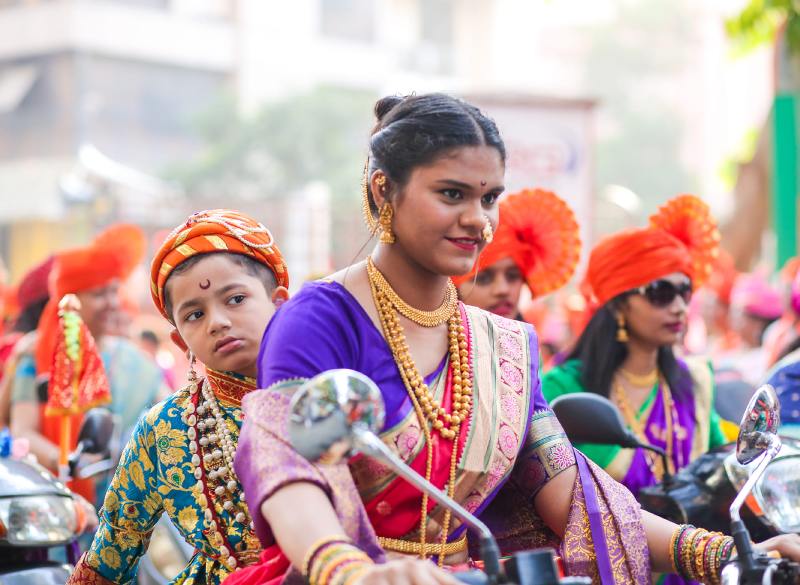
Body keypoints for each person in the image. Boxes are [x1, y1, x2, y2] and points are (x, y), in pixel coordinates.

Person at [228, 95, 800, 585]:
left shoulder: (500, 344)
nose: (478, 219)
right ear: (384, 191)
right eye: (452, 194)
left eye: (489, 197)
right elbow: (287, 470)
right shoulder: (319, 319)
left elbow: (570, 491)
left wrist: (722, 553)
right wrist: (353, 569)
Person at [67, 209, 290, 584]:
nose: (217, 321)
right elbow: (111, 553)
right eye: (194, 315)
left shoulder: (335, 395)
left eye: (235, 299)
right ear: (179, 339)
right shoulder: (165, 428)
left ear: (279, 302)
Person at [542, 195, 729, 501]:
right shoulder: (565, 387)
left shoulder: (692, 383)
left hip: (693, 542)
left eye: (684, 291)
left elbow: (719, 468)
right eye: (660, 293)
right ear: (618, 307)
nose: (680, 307)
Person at [9, 229, 162, 502]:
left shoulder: (135, 360)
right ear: (73, 299)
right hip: (56, 500)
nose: (113, 303)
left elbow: (169, 410)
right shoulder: (35, 356)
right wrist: (71, 461)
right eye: (100, 294)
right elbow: (23, 429)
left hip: (128, 504)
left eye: (115, 291)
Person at [453, 188, 580, 321]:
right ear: (453, 287)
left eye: (513, 276)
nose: (502, 290)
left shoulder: (529, 341)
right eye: (483, 279)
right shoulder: (436, 341)